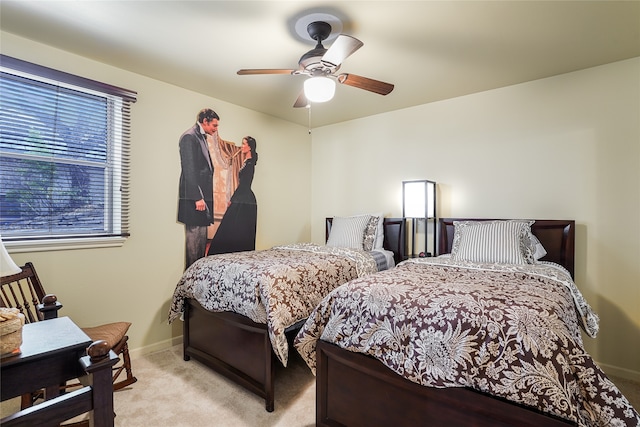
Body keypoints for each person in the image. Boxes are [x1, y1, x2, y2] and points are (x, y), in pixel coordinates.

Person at [177, 108, 218, 269]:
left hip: (203, 200)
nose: (216, 129)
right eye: (214, 125)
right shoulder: (189, 137)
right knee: (194, 247)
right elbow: (189, 169)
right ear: (205, 121)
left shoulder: (201, 137)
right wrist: (197, 197)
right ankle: (191, 287)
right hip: (195, 200)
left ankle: (199, 284)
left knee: (201, 246)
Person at [207, 136, 258, 255]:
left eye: (244, 144)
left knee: (234, 226)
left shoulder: (250, 164)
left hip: (245, 198)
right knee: (234, 226)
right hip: (243, 197)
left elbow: (244, 184)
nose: (242, 146)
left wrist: (233, 199)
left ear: (249, 147)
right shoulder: (247, 162)